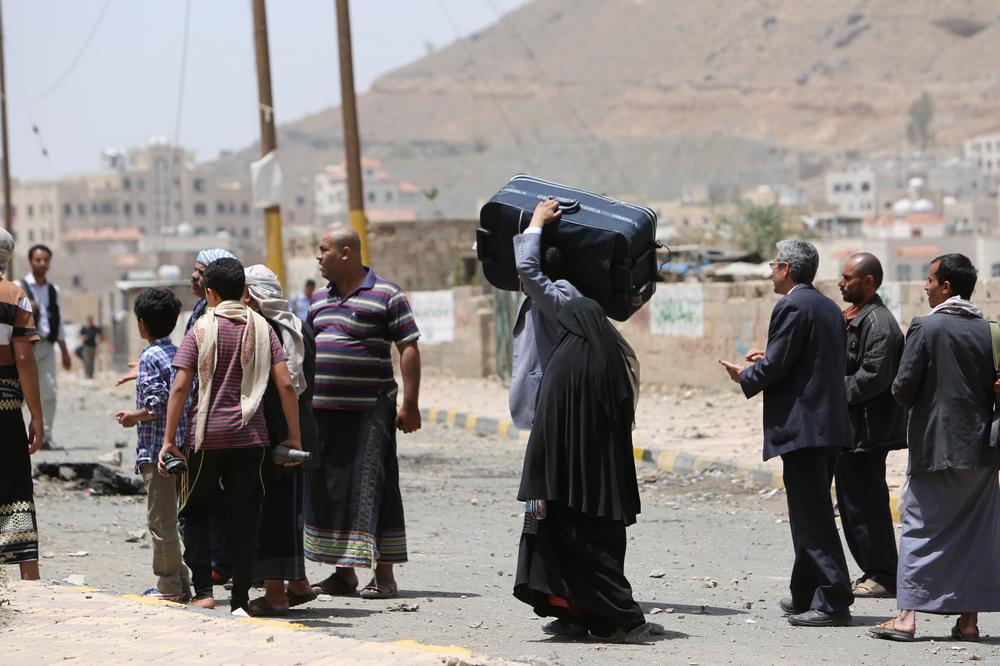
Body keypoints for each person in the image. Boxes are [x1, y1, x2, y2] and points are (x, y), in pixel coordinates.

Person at [719, 239, 854, 627]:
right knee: (807, 512)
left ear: (787, 269)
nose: (771, 272)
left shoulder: (792, 305)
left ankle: (834, 599)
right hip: (826, 426)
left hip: (806, 428)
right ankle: (805, 592)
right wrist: (770, 358)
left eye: (774, 265)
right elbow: (807, 359)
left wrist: (746, 375)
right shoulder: (826, 306)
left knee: (812, 516)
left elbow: (778, 366)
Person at [158, 257, 302, 614]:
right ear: (243, 290)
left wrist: (169, 440)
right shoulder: (263, 329)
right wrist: (294, 438)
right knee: (246, 518)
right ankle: (240, 600)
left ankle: (205, 592)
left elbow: (180, 387)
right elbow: (285, 384)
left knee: (195, 512)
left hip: (205, 440)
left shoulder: (200, 328)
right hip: (252, 439)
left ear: (210, 292)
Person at [870, 253, 1000, 642]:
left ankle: (906, 618)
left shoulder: (925, 327)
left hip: (936, 448)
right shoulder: (992, 331)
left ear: (945, 287)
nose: (925, 287)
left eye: (929, 280)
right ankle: (968, 622)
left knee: (920, 528)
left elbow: (902, 386)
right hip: (983, 450)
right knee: (976, 534)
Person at [514, 297, 658, 642]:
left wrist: (535, 483)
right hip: (606, 485)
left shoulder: (561, 365)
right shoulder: (613, 364)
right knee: (601, 551)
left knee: (560, 547)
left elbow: (545, 430)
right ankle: (577, 618)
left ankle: (621, 621)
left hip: (562, 484)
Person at [305, 226, 421, 600]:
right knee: (333, 489)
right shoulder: (318, 300)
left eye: (323, 249)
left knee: (376, 486)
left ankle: (384, 575)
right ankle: (344, 573)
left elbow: (408, 347)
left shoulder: (387, 294)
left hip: (370, 413)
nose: (318, 257)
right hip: (323, 413)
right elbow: (309, 351)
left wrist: (410, 404)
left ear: (346, 253)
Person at [242, 264, 320, 617]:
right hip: (299, 432)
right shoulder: (299, 326)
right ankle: (298, 584)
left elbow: (284, 385)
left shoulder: (262, 330)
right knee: (290, 511)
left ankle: (275, 595)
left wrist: (288, 435)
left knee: (270, 513)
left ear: (251, 295)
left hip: (277, 436)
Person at [114, 288, 191, 603]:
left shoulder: (149, 357)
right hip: (181, 448)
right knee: (171, 518)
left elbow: (157, 404)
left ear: (142, 323)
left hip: (158, 452)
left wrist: (133, 416)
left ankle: (169, 585)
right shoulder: (178, 353)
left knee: (160, 521)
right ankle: (181, 581)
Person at [836, 253, 906, 599]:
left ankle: (884, 575)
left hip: (868, 432)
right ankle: (874, 571)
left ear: (868, 282)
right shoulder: (854, 317)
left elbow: (873, 377)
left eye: (848, 277)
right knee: (852, 504)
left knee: (866, 505)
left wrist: (830, 392)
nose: (841, 282)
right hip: (850, 429)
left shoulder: (879, 324)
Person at [509, 198, 582, 431]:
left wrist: (538, 219)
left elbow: (526, 267)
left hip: (554, 405)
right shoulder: (546, 299)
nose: (520, 278)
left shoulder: (560, 298)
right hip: (549, 406)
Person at [0, 229, 44, 580]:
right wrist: (37, 416)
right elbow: (25, 359)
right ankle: (30, 578)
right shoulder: (15, 297)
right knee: (15, 487)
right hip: (5, 410)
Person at [19, 244, 71, 450]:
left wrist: (64, 351)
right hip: (25, 347)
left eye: (45, 260)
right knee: (20, 392)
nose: (42, 263)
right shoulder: (19, 286)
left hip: (47, 346)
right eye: (38, 260)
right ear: (31, 261)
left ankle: (45, 437)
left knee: (49, 391)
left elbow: (58, 321)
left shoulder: (53, 290)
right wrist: (26, 308)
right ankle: (15, 434)